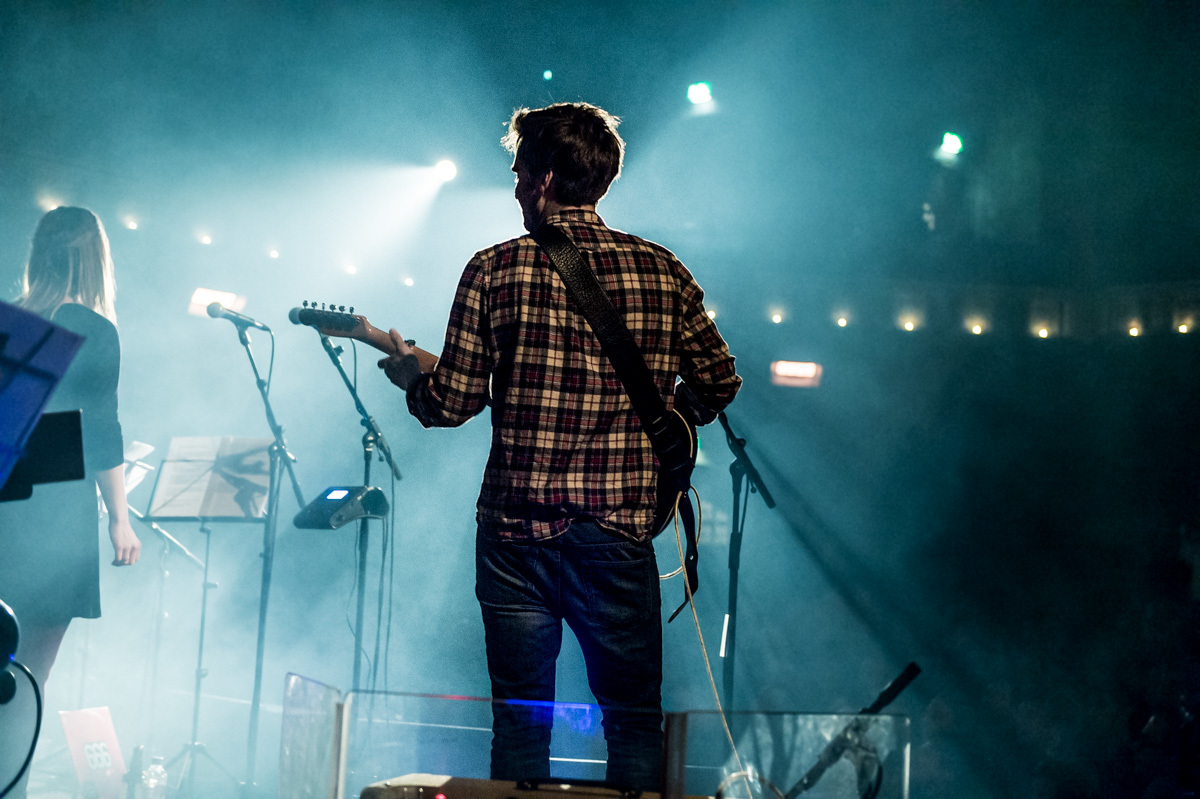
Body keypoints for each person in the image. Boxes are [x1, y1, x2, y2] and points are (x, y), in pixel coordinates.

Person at [378, 102, 741, 789]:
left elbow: (451, 402)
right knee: (633, 719)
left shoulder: (494, 268)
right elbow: (721, 379)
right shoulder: (663, 269)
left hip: (517, 537)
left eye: (519, 171)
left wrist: (409, 382)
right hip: (617, 537)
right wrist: (670, 421)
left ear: (543, 179)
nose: (514, 185)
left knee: (522, 720)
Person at [0, 206, 141, 798]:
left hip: (6, 509)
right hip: (56, 517)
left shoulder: (11, 321)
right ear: (96, 260)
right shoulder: (94, 328)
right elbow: (102, 431)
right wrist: (121, 522)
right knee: (29, 675)